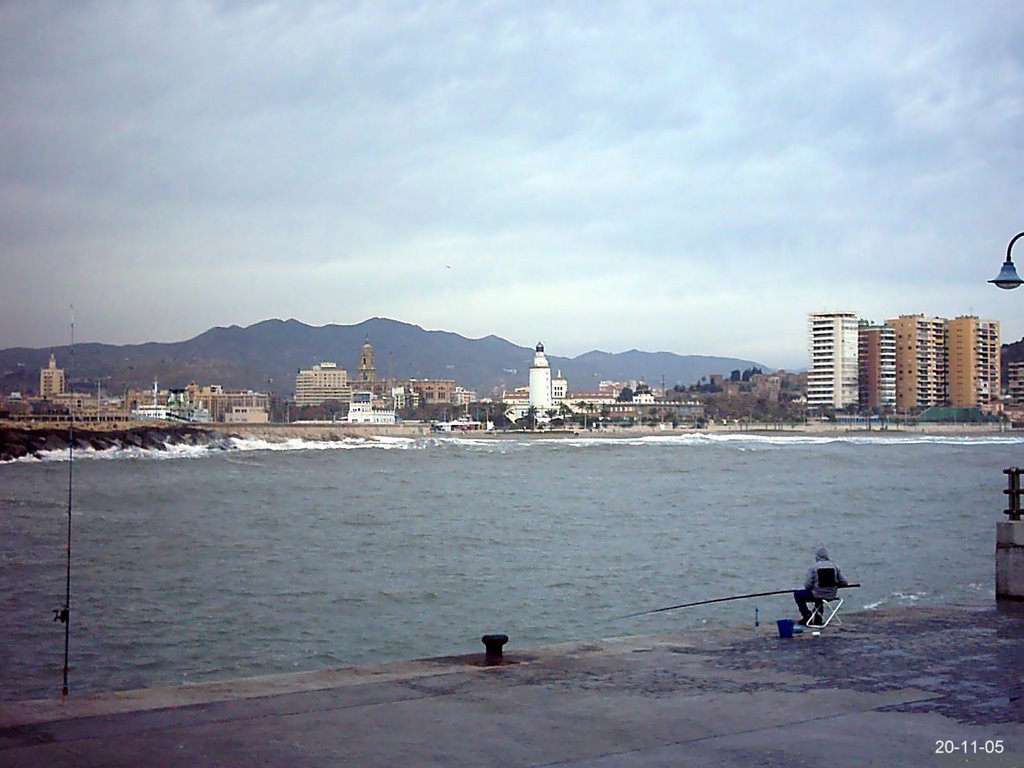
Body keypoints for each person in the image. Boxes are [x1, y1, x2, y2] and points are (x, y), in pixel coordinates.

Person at [793, 546, 848, 626]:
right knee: (819, 595)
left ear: (817, 557)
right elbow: (844, 582)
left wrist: (813, 587)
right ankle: (818, 617)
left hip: (818, 594)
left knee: (798, 594)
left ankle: (807, 615)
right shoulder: (834, 566)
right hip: (831, 595)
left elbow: (808, 585)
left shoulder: (814, 567)